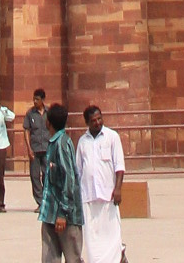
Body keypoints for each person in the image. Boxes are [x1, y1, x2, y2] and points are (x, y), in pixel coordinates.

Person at [77, 108, 125, 263]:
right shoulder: (83, 142)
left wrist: (118, 189)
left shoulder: (112, 137)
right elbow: (78, 170)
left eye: (99, 119)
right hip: (89, 197)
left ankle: (117, 257)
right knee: (92, 238)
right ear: (87, 123)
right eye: (93, 121)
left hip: (108, 196)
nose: (97, 123)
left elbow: (119, 166)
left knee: (111, 235)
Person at [38, 108, 82, 263]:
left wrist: (63, 213)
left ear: (48, 122)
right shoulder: (53, 143)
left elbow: (69, 179)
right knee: (49, 259)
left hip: (66, 216)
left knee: (73, 258)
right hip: (50, 213)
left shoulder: (62, 144)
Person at [23, 91, 53, 211]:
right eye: (34, 99)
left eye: (37, 99)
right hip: (35, 149)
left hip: (47, 148)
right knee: (35, 176)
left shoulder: (49, 112)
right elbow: (26, 130)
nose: (35, 102)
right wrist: (29, 148)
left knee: (47, 176)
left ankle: (47, 201)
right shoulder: (30, 113)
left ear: (43, 100)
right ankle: (40, 202)